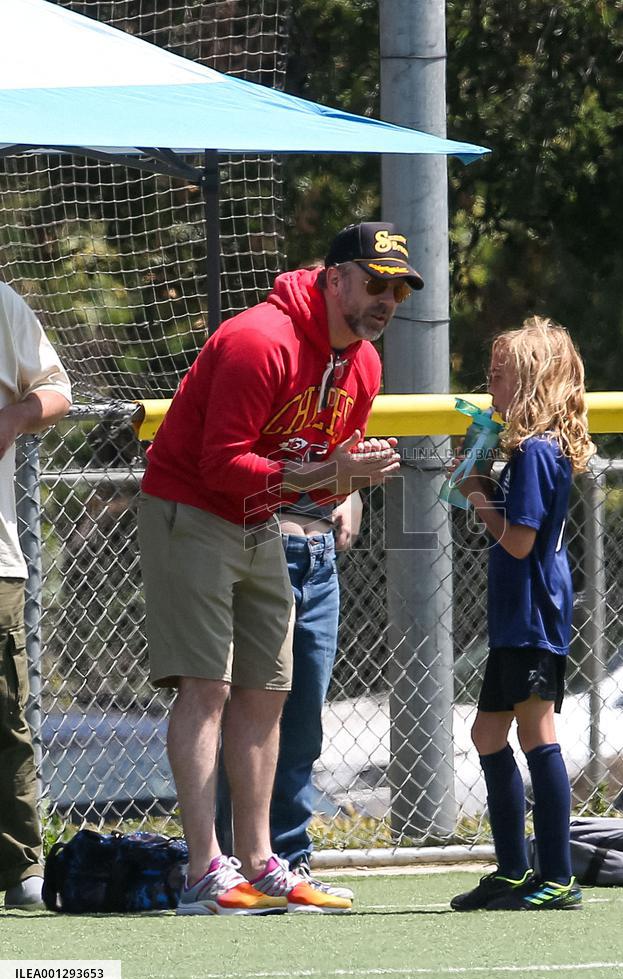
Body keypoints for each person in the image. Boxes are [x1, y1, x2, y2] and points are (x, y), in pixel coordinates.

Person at [138, 221, 423, 915]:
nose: (386, 299)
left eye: (397, 289)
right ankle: (204, 868)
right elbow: (220, 465)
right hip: (193, 508)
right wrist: (332, 471)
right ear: (334, 279)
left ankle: (263, 860)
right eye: (373, 282)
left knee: (268, 689)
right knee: (207, 687)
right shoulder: (257, 340)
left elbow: (314, 481)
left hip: (258, 517)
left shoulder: (364, 365)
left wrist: (349, 481)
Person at [447, 316, 595, 912]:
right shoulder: (526, 447)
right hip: (516, 616)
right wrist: (481, 470)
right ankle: (512, 868)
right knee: (487, 734)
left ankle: (556, 875)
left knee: (537, 735)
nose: (490, 382)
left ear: (532, 382)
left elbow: (518, 542)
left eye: (501, 374)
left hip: (535, 615)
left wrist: (477, 489)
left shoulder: (536, 450)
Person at [0, 281, 72, 910]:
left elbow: (57, 389)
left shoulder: (2, 303)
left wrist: (16, 415)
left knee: (5, 717)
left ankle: (22, 866)